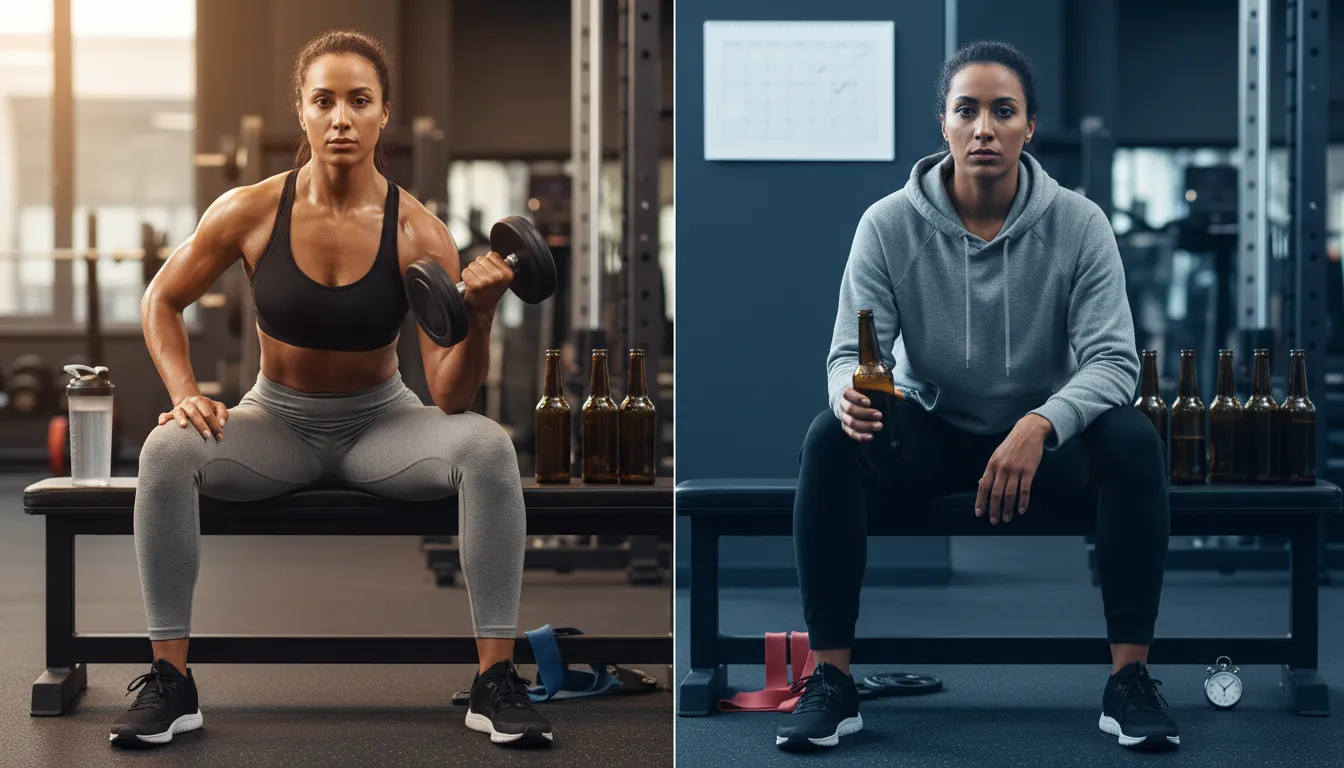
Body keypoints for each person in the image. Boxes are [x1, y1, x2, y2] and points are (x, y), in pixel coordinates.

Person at [110, 30, 551, 750]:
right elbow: (161, 298)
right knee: (165, 450)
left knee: (486, 446)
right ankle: (171, 683)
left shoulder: (419, 230)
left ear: (384, 114)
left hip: (382, 427)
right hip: (275, 425)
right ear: (302, 112)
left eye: (359, 101)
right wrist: (185, 391)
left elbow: (451, 398)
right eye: (324, 101)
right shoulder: (250, 210)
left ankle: (495, 681)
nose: (341, 117)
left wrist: (479, 314)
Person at [777, 41, 1177, 753]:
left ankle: (1130, 680)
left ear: (1029, 126)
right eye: (967, 110)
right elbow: (847, 355)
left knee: (1132, 439)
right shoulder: (888, 224)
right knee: (829, 437)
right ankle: (832, 681)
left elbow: (1115, 362)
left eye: (1003, 111)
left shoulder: (1079, 224)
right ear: (944, 124)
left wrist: (1041, 424)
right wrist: (847, 394)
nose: (984, 128)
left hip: (1039, 444)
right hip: (931, 432)